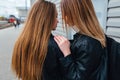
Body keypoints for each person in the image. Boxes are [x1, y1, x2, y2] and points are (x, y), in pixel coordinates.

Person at [54, 0, 108, 80]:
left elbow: (77, 77)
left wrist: (67, 53)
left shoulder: (87, 43)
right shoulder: (89, 38)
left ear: (74, 14)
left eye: (65, 13)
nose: (62, 17)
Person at [11, 0, 64, 80]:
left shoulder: (21, 42)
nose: (58, 20)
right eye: (56, 16)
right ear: (46, 18)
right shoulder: (51, 46)